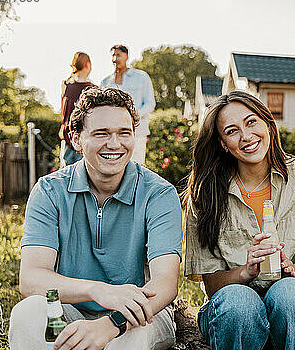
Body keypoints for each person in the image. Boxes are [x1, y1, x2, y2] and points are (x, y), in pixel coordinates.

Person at [9, 87, 182, 350]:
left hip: (140, 314)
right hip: (72, 310)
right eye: (101, 133)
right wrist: (98, 290)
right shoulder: (49, 191)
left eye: (124, 133)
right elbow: (32, 278)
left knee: (132, 336)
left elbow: (165, 284)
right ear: (77, 140)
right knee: (27, 313)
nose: (115, 144)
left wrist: (111, 324)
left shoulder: (159, 194)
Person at [184, 90, 295, 350]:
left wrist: (294, 271)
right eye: (232, 131)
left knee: (292, 294)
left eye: (251, 122)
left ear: (268, 124)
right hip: (231, 306)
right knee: (240, 303)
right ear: (222, 143)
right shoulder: (206, 194)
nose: (246, 136)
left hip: (290, 302)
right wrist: (246, 272)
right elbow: (212, 283)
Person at [101, 44, 156, 165]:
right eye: (113, 56)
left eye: (118, 55)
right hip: (112, 134)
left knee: (136, 166)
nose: (115, 59)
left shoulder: (141, 77)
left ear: (126, 56)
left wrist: (132, 115)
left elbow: (150, 104)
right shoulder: (105, 82)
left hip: (137, 132)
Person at [59, 51, 95, 168]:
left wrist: (62, 128)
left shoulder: (66, 85)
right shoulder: (92, 88)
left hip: (68, 135)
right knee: (84, 171)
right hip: (84, 136)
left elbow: (63, 111)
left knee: (66, 173)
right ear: (88, 65)